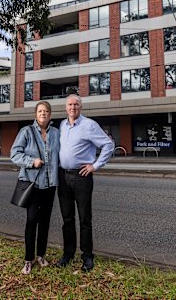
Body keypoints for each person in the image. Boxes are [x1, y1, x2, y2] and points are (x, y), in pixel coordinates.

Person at [56, 94, 114, 272]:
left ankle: (87, 257)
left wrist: (95, 165)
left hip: (82, 177)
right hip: (63, 177)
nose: (73, 107)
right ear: (66, 108)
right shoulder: (62, 125)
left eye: (76, 104)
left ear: (80, 107)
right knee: (67, 219)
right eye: (70, 104)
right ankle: (68, 254)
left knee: (84, 219)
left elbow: (108, 145)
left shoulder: (89, 125)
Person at [11, 101, 60, 275]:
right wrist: (31, 162)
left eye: (46, 111)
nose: (43, 113)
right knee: (32, 221)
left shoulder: (56, 133)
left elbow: (62, 155)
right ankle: (28, 259)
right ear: (36, 114)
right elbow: (14, 154)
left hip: (50, 185)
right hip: (33, 184)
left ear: (50, 115)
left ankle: (41, 256)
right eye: (40, 111)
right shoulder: (26, 132)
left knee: (45, 222)